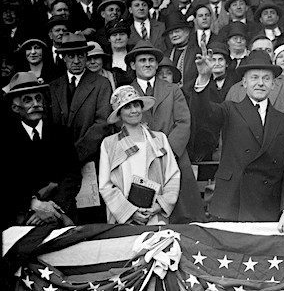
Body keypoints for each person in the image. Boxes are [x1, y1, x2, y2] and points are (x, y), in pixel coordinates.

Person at [192, 49, 284, 232]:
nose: (260, 83)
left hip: (267, 205)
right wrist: (203, 78)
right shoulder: (229, 110)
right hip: (231, 202)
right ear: (244, 82)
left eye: (266, 78)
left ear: (273, 84)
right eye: (254, 77)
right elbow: (204, 114)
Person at [127, 40, 205, 223]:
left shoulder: (172, 90)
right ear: (132, 65)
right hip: (140, 160)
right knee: (144, 216)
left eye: (151, 60)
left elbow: (184, 122)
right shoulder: (127, 92)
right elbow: (122, 126)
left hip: (174, 157)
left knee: (184, 214)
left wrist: (166, 152)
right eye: (142, 60)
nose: (147, 64)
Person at [48, 32, 113, 223]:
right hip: (60, 165)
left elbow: (102, 124)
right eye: (71, 56)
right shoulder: (54, 86)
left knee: (89, 215)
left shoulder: (101, 84)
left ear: (86, 56)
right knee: (63, 213)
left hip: (88, 160)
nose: (76, 60)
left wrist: (75, 155)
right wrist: (60, 158)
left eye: (81, 55)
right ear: (63, 57)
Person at [5, 72, 81, 230]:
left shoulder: (61, 133)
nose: (36, 104)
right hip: (25, 219)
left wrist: (54, 209)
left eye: (38, 98)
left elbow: (72, 175)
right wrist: (34, 204)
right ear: (15, 107)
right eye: (28, 100)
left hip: (61, 214)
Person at [99, 85, 180, 225]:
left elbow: (173, 176)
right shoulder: (109, 144)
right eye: (127, 107)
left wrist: (159, 206)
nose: (134, 111)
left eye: (136, 105)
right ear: (119, 114)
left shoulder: (159, 139)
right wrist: (130, 212)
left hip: (155, 215)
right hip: (123, 220)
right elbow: (106, 186)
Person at [226, 35, 284, 121]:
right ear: (249, 53)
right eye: (259, 50)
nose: (263, 54)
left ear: (273, 55)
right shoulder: (235, 90)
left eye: (268, 50)